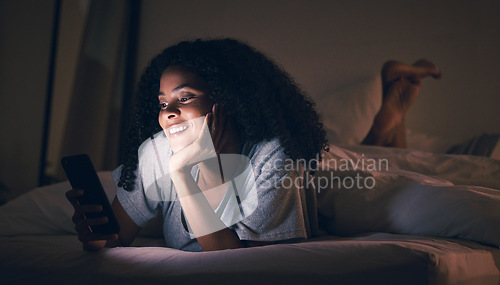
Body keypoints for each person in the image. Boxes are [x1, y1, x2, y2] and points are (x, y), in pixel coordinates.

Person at [66, 38, 441, 252]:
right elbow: (114, 240)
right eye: (164, 102)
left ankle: (386, 120)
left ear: (225, 100)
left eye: (185, 98)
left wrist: (187, 174)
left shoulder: (274, 152)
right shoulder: (156, 151)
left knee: (376, 165)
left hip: (318, 175)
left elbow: (232, 260)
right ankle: (389, 113)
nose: (169, 113)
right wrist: (94, 235)